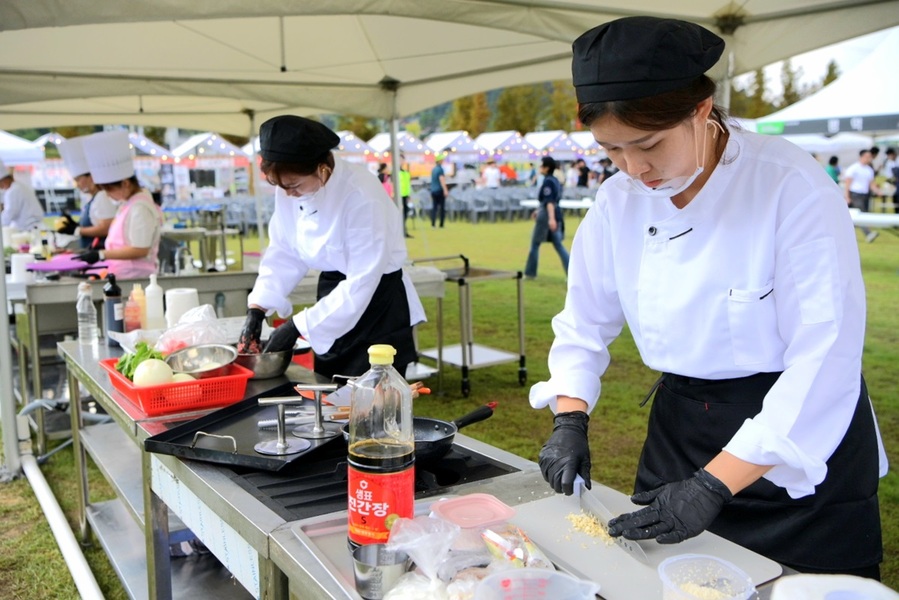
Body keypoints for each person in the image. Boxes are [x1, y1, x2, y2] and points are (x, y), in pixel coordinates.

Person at [532, 16, 886, 580]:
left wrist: (716, 483)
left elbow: (826, 355)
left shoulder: (789, 186)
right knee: (658, 580)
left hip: (794, 435)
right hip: (681, 431)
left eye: (647, 144)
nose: (634, 169)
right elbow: (583, 323)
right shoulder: (618, 200)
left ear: (702, 109)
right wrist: (569, 418)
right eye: (611, 150)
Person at [237, 115, 426, 378]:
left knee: (375, 404)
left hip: (377, 304)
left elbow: (362, 280)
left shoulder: (362, 196)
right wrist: (258, 307)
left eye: (293, 185)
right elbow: (285, 250)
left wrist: (297, 326)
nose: (288, 193)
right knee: (331, 397)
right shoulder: (290, 189)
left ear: (322, 168)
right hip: (332, 296)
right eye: (280, 186)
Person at [76, 130, 164, 278]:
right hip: (121, 273)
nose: (108, 195)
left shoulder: (140, 208)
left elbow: (140, 249)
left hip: (135, 277)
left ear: (125, 184)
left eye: (109, 189)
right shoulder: (127, 204)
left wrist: (101, 254)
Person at [56, 136, 118, 249]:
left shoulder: (102, 197)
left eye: (79, 179)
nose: (78, 184)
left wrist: (78, 230)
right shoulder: (92, 198)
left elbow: (106, 227)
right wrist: (75, 225)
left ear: (91, 177)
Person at [524, 156, 569, 279]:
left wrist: (551, 218)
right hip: (552, 212)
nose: (540, 168)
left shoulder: (548, 181)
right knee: (558, 245)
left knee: (535, 244)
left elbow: (549, 202)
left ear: (546, 167)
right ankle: (572, 273)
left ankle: (530, 273)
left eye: (541, 166)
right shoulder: (555, 180)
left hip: (548, 215)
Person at [843, 149, 881, 242]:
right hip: (855, 194)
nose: (869, 159)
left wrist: (878, 191)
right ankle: (868, 234)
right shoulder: (854, 168)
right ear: (862, 157)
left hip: (865, 194)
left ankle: (847, 234)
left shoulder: (869, 170)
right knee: (861, 213)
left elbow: (871, 184)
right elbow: (847, 183)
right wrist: (847, 196)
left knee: (859, 215)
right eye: (867, 157)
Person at [0, 158, 45, 231]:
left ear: (4, 181)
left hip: (30, 228)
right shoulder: (18, 187)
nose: (1, 187)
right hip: (32, 227)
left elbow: (9, 214)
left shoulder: (13, 191)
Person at [429, 153, 449, 228]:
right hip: (439, 190)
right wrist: (445, 190)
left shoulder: (434, 169)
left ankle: (433, 224)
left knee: (434, 208)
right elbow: (442, 180)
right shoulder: (440, 169)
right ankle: (441, 224)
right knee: (441, 208)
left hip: (433, 190)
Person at [398, 160, 413, 238]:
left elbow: (407, 185)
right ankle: (401, 231)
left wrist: (408, 195)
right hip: (397, 196)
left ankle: (403, 230)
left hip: (404, 196)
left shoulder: (405, 173)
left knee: (405, 212)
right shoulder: (395, 173)